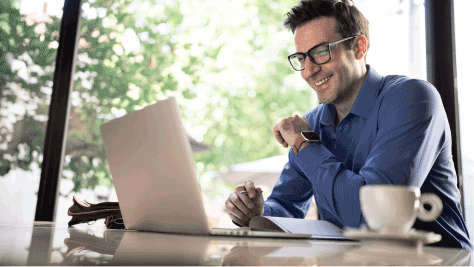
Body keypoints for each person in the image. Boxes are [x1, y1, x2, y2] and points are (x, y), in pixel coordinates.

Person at [224, 0, 472, 250]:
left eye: (321, 52)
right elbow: (286, 209)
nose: (308, 70)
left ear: (359, 46)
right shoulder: (312, 124)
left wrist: (304, 143)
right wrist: (256, 213)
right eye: (301, 58)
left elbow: (375, 221)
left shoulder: (412, 98)